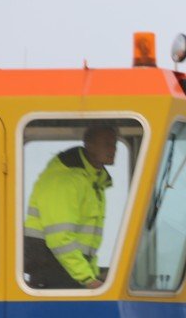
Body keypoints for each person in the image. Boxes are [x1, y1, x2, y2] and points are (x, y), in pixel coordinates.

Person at [24, 124, 117, 289]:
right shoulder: (65, 181)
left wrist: (93, 273)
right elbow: (60, 238)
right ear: (89, 145)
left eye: (114, 144)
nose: (113, 149)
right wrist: (88, 279)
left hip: (67, 270)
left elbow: (87, 246)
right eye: (107, 144)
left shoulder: (93, 181)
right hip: (51, 272)